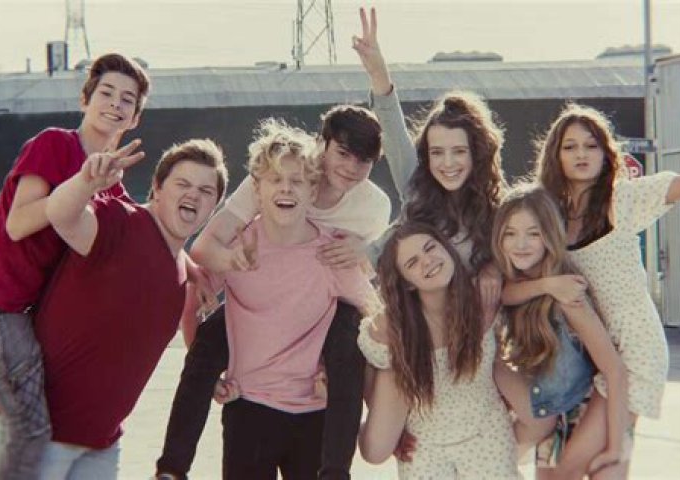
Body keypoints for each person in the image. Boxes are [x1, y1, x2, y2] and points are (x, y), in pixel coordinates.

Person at [156, 107, 390, 480]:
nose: (285, 188)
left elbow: (378, 320)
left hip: (313, 410)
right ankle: (171, 469)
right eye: (343, 153)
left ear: (311, 188)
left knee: (351, 334)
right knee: (210, 337)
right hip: (249, 407)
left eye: (296, 182)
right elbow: (196, 281)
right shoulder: (242, 243)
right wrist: (231, 261)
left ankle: (335, 472)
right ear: (257, 188)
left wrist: (378, 401)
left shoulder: (347, 234)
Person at [0, 52, 149, 480]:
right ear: (85, 100)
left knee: (35, 413)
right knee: (31, 430)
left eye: (127, 99)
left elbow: (137, 243)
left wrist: (193, 269)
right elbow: (18, 224)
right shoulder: (54, 144)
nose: (115, 104)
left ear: (136, 118)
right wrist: (83, 184)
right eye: (106, 92)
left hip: (23, 312)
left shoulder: (113, 184)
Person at [502, 103, 680, 478]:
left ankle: (619, 447)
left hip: (633, 349)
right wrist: (546, 284)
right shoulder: (548, 213)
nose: (581, 154)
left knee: (584, 465)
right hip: (578, 353)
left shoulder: (622, 200)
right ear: (555, 155)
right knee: (575, 471)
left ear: (606, 152)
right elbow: (509, 288)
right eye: (570, 146)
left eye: (591, 145)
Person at [33, 138, 227, 479]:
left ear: (214, 206)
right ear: (157, 187)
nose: (194, 195)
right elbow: (62, 216)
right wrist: (85, 182)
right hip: (42, 436)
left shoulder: (180, 268)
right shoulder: (118, 221)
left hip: (102, 445)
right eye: (182, 184)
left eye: (205, 191)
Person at [352, 6, 505, 317]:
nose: (447, 163)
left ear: (476, 153)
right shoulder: (418, 187)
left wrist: (493, 267)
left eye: (458, 151)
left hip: (471, 325)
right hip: (413, 319)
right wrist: (379, 74)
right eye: (437, 152)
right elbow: (394, 132)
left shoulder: (496, 210)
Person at [358, 222, 520, 479]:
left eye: (430, 248)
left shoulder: (480, 295)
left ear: (447, 248)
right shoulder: (391, 326)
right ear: (407, 284)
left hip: (483, 428)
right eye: (412, 263)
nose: (427, 261)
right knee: (376, 448)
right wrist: (388, 426)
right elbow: (370, 366)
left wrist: (495, 269)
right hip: (425, 436)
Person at [491, 184, 628, 478]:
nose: (520, 244)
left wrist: (617, 446)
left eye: (533, 233)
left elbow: (615, 370)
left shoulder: (568, 298)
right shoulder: (519, 287)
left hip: (583, 411)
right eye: (510, 233)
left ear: (550, 235)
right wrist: (544, 285)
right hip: (550, 410)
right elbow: (505, 295)